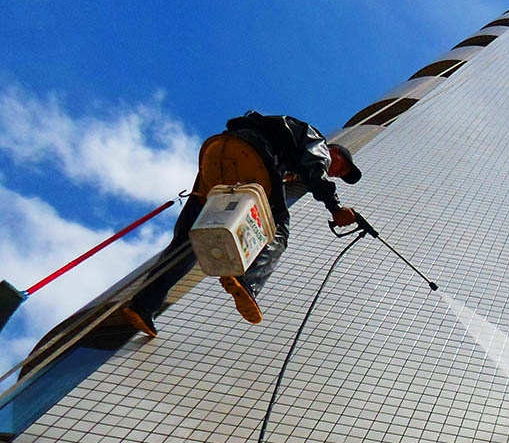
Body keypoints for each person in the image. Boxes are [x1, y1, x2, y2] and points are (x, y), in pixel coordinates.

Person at [122, 111, 363, 337]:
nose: (336, 172)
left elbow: (298, 169)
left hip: (219, 153)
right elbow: (315, 169)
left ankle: (143, 306)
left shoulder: (287, 146)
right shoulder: (316, 141)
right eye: (341, 167)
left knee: (191, 241)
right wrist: (335, 208)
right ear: (334, 151)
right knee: (277, 227)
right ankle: (247, 280)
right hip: (253, 155)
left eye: (339, 175)